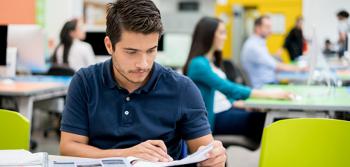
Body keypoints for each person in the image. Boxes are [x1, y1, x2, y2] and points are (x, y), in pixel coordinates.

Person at [59, 0, 226, 166]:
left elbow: (204, 150)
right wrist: (127, 155)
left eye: (151, 50)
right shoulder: (85, 82)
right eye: (132, 52)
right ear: (109, 46)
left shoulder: (183, 88)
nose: (143, 64)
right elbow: (69, 147)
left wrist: (214, 158)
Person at [183, 17, 293, 144]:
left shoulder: (211, 61)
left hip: (226, 110)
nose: (225, 37)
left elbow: (223, 96)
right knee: (270, 121)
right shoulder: (198, 64)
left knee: (269, 115)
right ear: (209, 35)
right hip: (215, 118)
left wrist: (246, 106)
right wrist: (271, 95)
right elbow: (228, 88)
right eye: (221, 33)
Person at [241, 15, 305, 88]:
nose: (270, 30)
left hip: (269, 83)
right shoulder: (254, 46)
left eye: (270, 27)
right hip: (263, 87)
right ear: (258, 28)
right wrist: (300, 68)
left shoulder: (258, 43)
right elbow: (276, 66)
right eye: (267, 27)